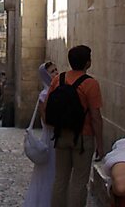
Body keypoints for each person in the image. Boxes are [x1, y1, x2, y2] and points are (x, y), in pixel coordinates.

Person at [48, 45, 104, 207]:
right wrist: (100, 144)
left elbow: (47, 107)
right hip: (83, 137)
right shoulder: (91, 84)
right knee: (79, 181)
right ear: (88, 63)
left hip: (61, 135)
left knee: (60, 179)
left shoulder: (58, 79)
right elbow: (95, 117)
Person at [23, 61, 59, 207]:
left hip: (56, 137)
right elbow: (46, 120)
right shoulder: (45, 94)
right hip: (50, 138)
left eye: (56, 70)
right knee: (49, 172)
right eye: (52, 72)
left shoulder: (57, 91)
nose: (56, 73)